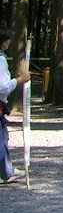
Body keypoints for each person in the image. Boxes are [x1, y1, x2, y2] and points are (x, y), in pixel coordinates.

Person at [0, 29, 31, 184]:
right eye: (6, 40)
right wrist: (19, 80)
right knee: (1, 140)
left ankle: (6, 171)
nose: (9, 42)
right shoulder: (0, 60)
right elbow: (3, 87)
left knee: (3, 137)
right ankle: (6, 173)